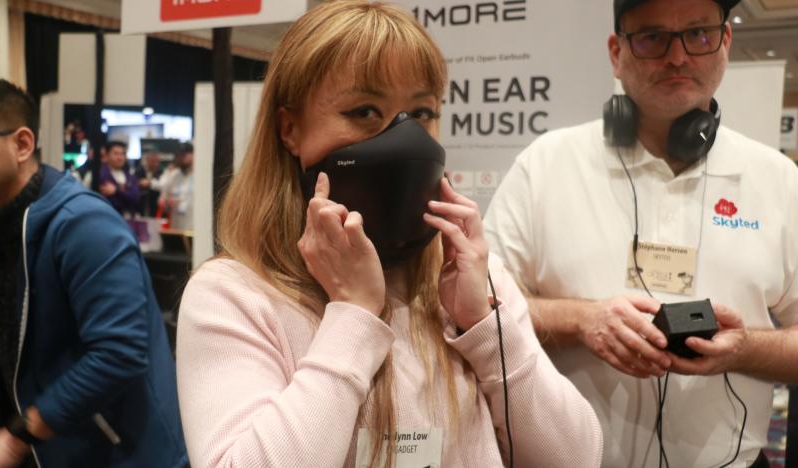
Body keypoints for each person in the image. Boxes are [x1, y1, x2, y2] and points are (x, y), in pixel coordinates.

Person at [175, 1, 602, 467]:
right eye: (364, 110)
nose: (404, 138)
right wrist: (354, 314)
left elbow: (575, 457)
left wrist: (484, 327)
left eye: (421, 112)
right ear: (289, 128)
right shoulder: (235, 294)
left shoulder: (470, 277)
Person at [483, 0, 798, 466]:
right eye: (652, 38)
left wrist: (746, 349)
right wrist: (581, 320)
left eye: (699, 34)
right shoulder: (547, 165)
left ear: (725, 42)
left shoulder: (778, 180)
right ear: (617, 52)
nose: (678, 57)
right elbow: (478, 308)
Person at [0, 78, 188, 467]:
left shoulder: (83, 224)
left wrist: (18, 436)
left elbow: (118, 353)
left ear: (21, 144)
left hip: (121, 454)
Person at [98, 140, 140, 216]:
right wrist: (125, 194)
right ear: (107, 156)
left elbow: (135, 198)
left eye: (123, 154)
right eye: (116, 154)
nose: (120, 157)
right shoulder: (101, 175)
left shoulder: (130, 177)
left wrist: (116, 191)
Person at [158, 143, 194, 231]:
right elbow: (162, 201)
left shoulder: (200, 176)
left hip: (194, 230)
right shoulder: (173, 176)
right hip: (176, 229)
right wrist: (167, 203)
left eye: (185, 154)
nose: (182, 157)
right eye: (180, 155)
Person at [135, 149, 163, 217]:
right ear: (147, 160)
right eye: (152, 161)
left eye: (156, 161)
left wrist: (149, 183)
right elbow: (134, 183)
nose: (155, 164)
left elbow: (161, 185)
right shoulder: (139, 170)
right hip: (141, 203)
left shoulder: (160, 172)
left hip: (154, 203)